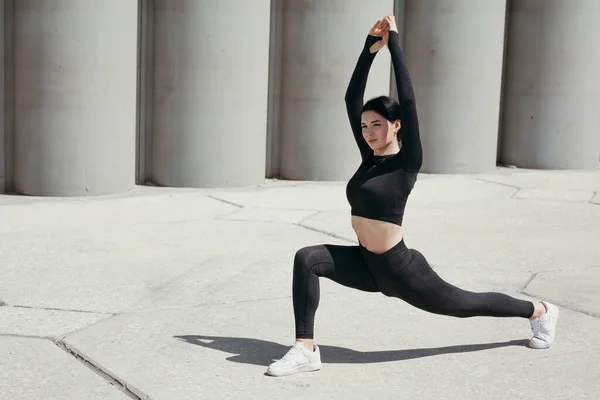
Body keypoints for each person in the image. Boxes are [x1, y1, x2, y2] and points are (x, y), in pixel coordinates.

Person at [266, 14, 559, 377]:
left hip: (400, 270)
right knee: (307, 258)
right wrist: (367, 51)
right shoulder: (369, 158)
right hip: (366, 264)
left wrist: (395, 46)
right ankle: (306, 349)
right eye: (364, 126)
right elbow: (350, 98)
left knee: (466, 304)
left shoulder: (406, 162)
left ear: (397, 124)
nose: (369, 132)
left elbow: (408, 99)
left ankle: (540, 312)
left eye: (377, 124)